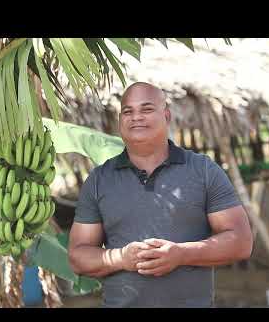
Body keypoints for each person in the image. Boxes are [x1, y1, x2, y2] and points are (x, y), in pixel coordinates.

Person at [68, 82, 253, 307]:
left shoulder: (202, 170)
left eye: (146, 109)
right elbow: (78, 256)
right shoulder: (99, 180)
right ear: (120, 120)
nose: (136, 117)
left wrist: (181, 254)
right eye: (128, 111)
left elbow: (241, 242)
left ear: (166, 115)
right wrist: (121, 258)